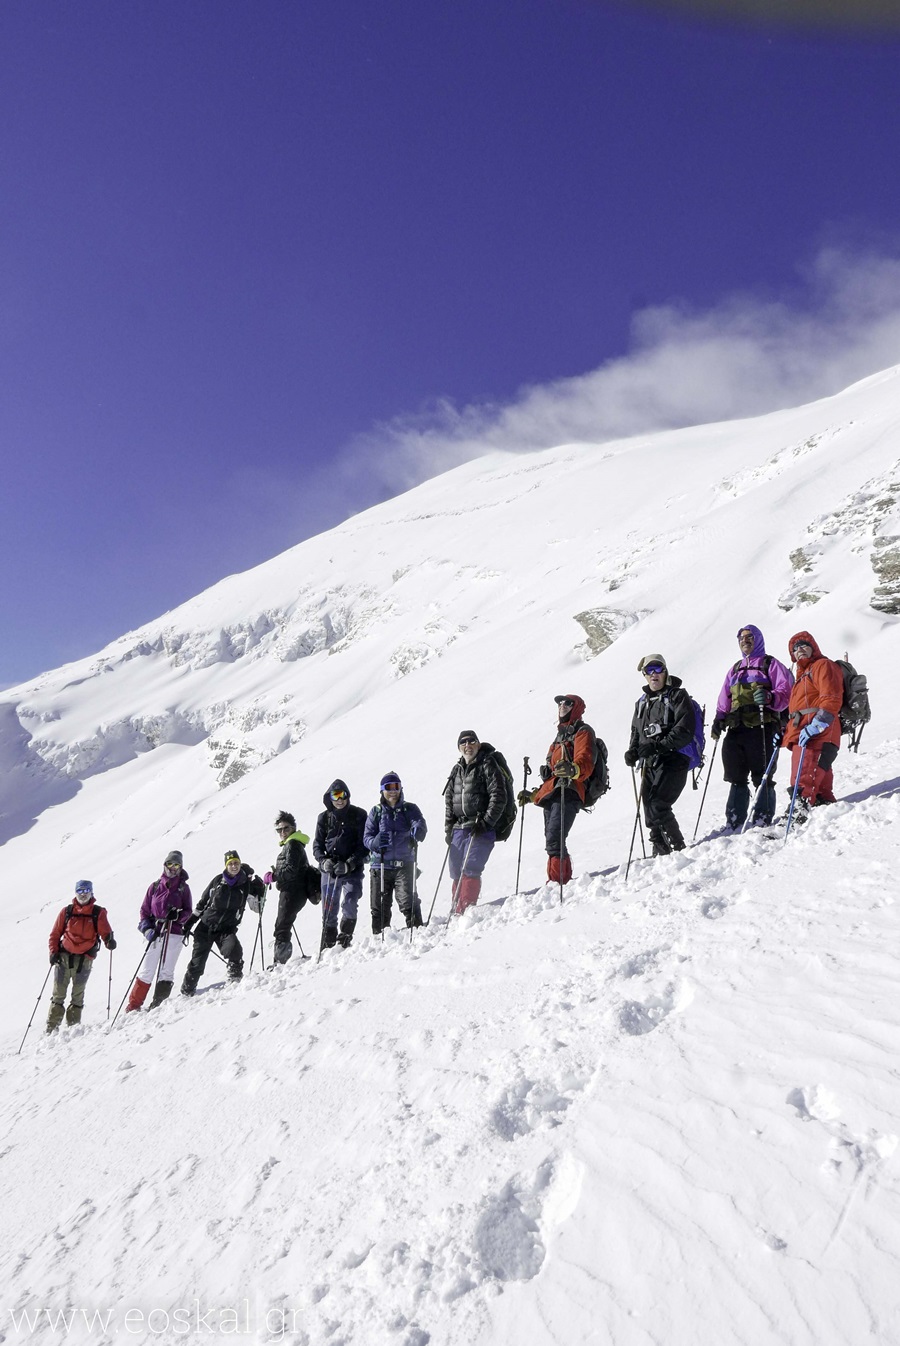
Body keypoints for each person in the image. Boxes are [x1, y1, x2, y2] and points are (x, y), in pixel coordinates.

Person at [711, 625, 794, 829]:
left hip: (763, 725)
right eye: (741, 638)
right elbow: (725, 696)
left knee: (762, 774)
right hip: (736, 727)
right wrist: (719, 718)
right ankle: (735, 820)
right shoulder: (736, 668)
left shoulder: (770, 664)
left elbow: (786, 690)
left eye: (750, 637)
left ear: (758, 639)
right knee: (735, 773)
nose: (745, 640)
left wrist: (770, 697)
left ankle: (761, 818)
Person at [519, 695, 596, 886]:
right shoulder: (559, 737)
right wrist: (532, 795)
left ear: (576, 708)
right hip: (555, 791)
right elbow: (552, 777)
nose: (562, 706)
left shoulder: (583, 731)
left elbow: (585, 758)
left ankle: (558, 881)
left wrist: (574, 769)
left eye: (567, 703)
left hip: (570, 790)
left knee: (555, 836)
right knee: (552, 838)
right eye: (560, 703)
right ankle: (559, 880)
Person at [624, 655, 695, 856]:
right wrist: (633, 751)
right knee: (648, 805)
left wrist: (657, 746)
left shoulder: (678, 696)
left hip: (675, 758)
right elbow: (637, 732)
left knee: (658, 803)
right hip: (650, 762)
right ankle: (659, 847)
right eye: (649, 671)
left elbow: (684, 730)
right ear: (645, 675)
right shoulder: (641, 703)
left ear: (665, 671)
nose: (654, 674)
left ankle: (677, 847)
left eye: (657, 669)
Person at [444, 730, 510, 913]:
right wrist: (449, 827)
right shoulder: (456, 770)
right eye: (463, 742)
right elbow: (450, 800)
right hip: (459, 827)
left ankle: (466, 908)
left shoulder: (487, 764)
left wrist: (486, 822)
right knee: (456, 869)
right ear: (459, 747)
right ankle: (456, 908)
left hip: (480, 826)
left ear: (478, 744)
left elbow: (499, 795)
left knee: (470, 866)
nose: (468, 745)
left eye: (471, 741)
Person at [180, 851, 264, 995]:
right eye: (230, 863)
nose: (233, 866)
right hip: (206, 927)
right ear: (226, 865)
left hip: (226, 928)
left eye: (236, 863)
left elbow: (257, 908)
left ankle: (235, 981)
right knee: (197, 963)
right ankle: (187, 991)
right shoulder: (218, 881)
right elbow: (202, 903)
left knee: (234, 950)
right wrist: (189, 923)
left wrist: (260, 889)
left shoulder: (245, 885)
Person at [780, 631, 844, 821]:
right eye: (795, 648)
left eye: (803, 645)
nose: (799, 650)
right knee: (819, 778)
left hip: (819, 731)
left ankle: (798, 810)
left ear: (813, 647)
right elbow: (798, 709)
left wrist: (819, 722)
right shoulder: (801, 677)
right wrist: (784, 732)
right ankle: (823, 804)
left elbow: (831, 696)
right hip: (806, 730)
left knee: (805, 770)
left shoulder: (822, 665)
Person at [126, 850, 193, 1011]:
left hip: (174, 933)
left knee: (167, 971)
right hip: (156, 932)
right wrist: (147, 929)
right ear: (165, 865)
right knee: (147, 970)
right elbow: (144, 911)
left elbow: (188, 912)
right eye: (170, 864)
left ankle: (158, 1004)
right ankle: (134, 1005)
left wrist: (177, 916)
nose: (173, 867)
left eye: (176, 865)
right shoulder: (155, 886)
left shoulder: (184, 888)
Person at [47, 880, 116, 1031]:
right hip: (64, 957)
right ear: (76, 893)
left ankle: (72, 1029)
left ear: (91, 893)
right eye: (80, 891)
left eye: (86, 891)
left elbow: (105, 932)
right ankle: (52, 1029)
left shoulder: (98, 912)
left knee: (78, 995)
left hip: (84, 960)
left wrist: (109, 941)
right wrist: (53, 952)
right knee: (58, 994)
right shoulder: (67, 911)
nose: (83, 895)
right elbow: (55, 934)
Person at [364, 774, 427, 933]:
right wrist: (375, 842)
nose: (393, 791)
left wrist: (418, 830)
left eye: (396, 787)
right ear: (382, 790)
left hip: (404, 864)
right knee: (379, 906)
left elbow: (419, 822)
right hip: (380, 865)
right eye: (389, 787)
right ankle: (379, 938)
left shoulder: (409, 809)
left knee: (408, 900)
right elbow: (367, 838)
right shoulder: (376, 812)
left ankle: (416, 931)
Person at [313, 779, 368, 948]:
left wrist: (350, 864)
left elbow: (363, 846)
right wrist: (323, 861)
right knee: (329, 908)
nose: (339, 799)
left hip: (351, 868)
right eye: (335, 795)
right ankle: (328, 942)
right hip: (330, 869)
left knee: (351, 901)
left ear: (347, 795)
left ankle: (345, 937)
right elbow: (317, 846)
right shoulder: (324, 818)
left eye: (342, 795)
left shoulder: (359, 815)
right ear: (329, 797)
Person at [263, 811, 312, 964]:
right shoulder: (293, 844)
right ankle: (280, 960)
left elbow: (291, 870)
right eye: (279, 830)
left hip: (293, 890)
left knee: (282, 925)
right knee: (284, 923)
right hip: (295, 890)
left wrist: (275, 876)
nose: (282, 832)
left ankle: (279, 962)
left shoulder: (292, 844)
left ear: (293, 828)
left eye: (286, 828)